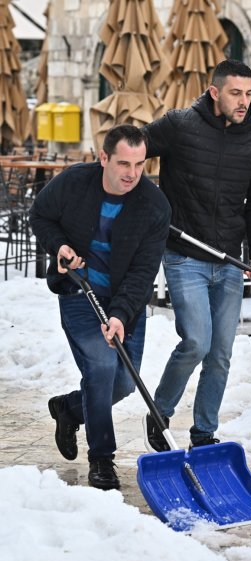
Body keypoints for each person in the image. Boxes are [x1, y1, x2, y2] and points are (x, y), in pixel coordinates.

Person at [142, 59, 251, 451]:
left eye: (249, 93)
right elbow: (133, 151)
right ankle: (159, 409)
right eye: (236, 93)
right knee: (197, 342)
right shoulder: (179, 125)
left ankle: (203, 434)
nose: (244, 101)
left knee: (220, 354)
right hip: (185, 257)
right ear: (214, 92)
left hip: (230, 261)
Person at [29, 124, 171, 490]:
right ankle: (102, 460)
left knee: (121, 383)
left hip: (126, 303)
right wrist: (59, 247)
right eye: (124, 163)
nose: (132, 173)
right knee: (102, 368)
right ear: (104, 157)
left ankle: (69, 409)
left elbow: (143, 272)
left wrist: (121, 314)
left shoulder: (154, 205)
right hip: (79, 294)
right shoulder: (75, 182)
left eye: (140, 164)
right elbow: (40, 216)